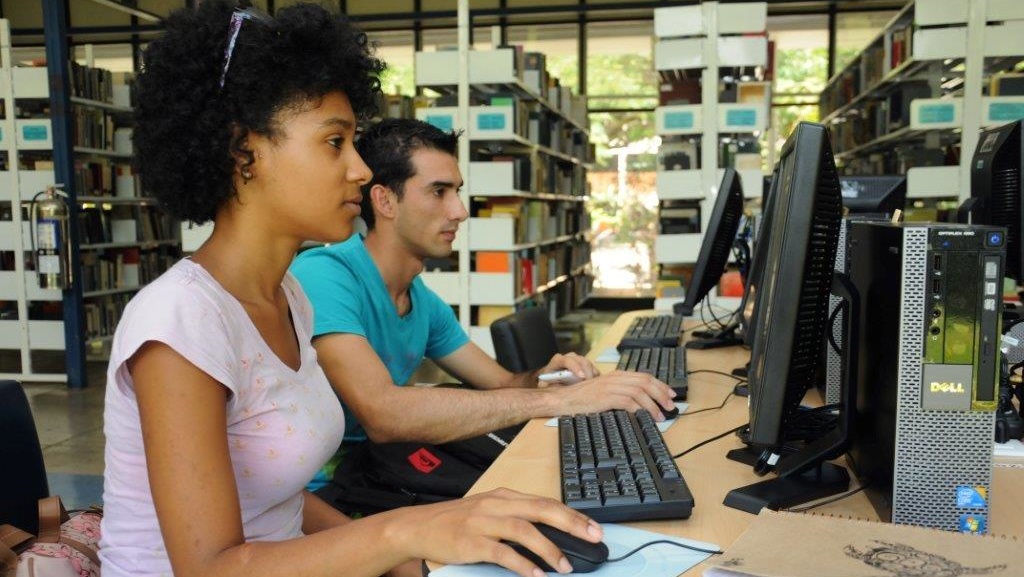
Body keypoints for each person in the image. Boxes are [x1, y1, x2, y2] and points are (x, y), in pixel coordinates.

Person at [98, 3, 603, 577]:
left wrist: (408, 561)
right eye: (335, 143)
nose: (362, 172)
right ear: (245, 152)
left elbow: (279, 504)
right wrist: (406, 530)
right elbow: (210, 569)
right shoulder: (180, 320)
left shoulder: (290, 297)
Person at [289, 118, 678, 492]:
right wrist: (562, 401)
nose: (459, 211)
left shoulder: (422, 302)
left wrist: (550, 377)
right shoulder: (325, 275)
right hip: (323, 496)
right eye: (439, 192)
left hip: (384, 471)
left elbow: (502, 383)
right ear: (385, 200)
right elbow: (383, 413)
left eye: (456, 192)